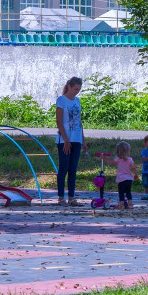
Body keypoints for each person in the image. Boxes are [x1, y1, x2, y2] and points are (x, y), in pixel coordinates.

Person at [56, 76, 86, 206]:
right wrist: (66, 140)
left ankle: (72, 197)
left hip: (76, 138)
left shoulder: (77, 101)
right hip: (64, 140)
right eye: (75, 89)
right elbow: (59, 121)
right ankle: (61, 197)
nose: (77, 92)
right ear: (69, 86)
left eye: (79, 89)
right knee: (64, 168)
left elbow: (79, 121)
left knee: (73, 169)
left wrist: (83, 140)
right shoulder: (61, 100)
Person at [107, 141, 137, 209]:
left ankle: (121, 204)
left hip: (121, 179)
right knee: (128, 192)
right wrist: (136, 174)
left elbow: (111, 163)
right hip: (129, 179)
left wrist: (105, 159)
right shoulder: (130, 159)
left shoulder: (118, 159)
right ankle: (130, 204)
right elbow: (133, 167)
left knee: (121, 192)